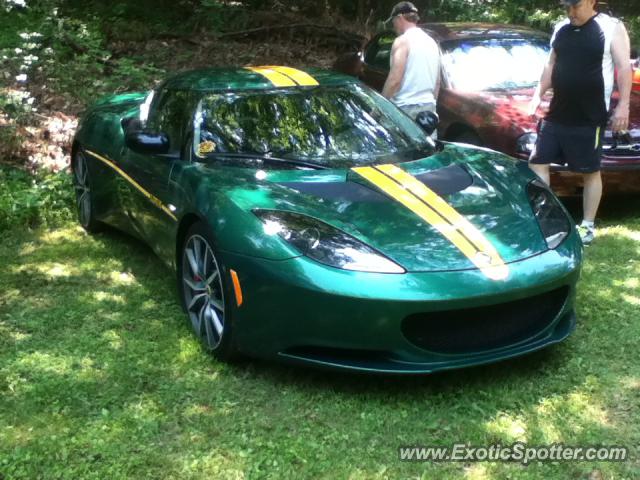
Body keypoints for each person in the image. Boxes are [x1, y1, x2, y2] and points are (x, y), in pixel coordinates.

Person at [528, 0, 631, 245]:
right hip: (557, 113)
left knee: (589, 171)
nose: (571, 12)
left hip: (590, 115)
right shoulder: (562, 27)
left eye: (576, 6)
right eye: (567, 6)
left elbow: (623, 66)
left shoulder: (611, 27)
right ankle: (546, 217)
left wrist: (623, 105)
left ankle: (587, 225)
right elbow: (550, 64)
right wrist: (537, 94)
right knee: (537, 161)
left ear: (591, 1)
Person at [382, 2, 441, 126]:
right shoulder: (431, 42)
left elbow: (394, 79)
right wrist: (430, 104)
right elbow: (437, 82)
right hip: (429, 109)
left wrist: (380, 106)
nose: (393, 25)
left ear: (399, 18)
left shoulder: (402, 41)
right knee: (427, 145)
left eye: (393, 21)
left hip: (405, 109)